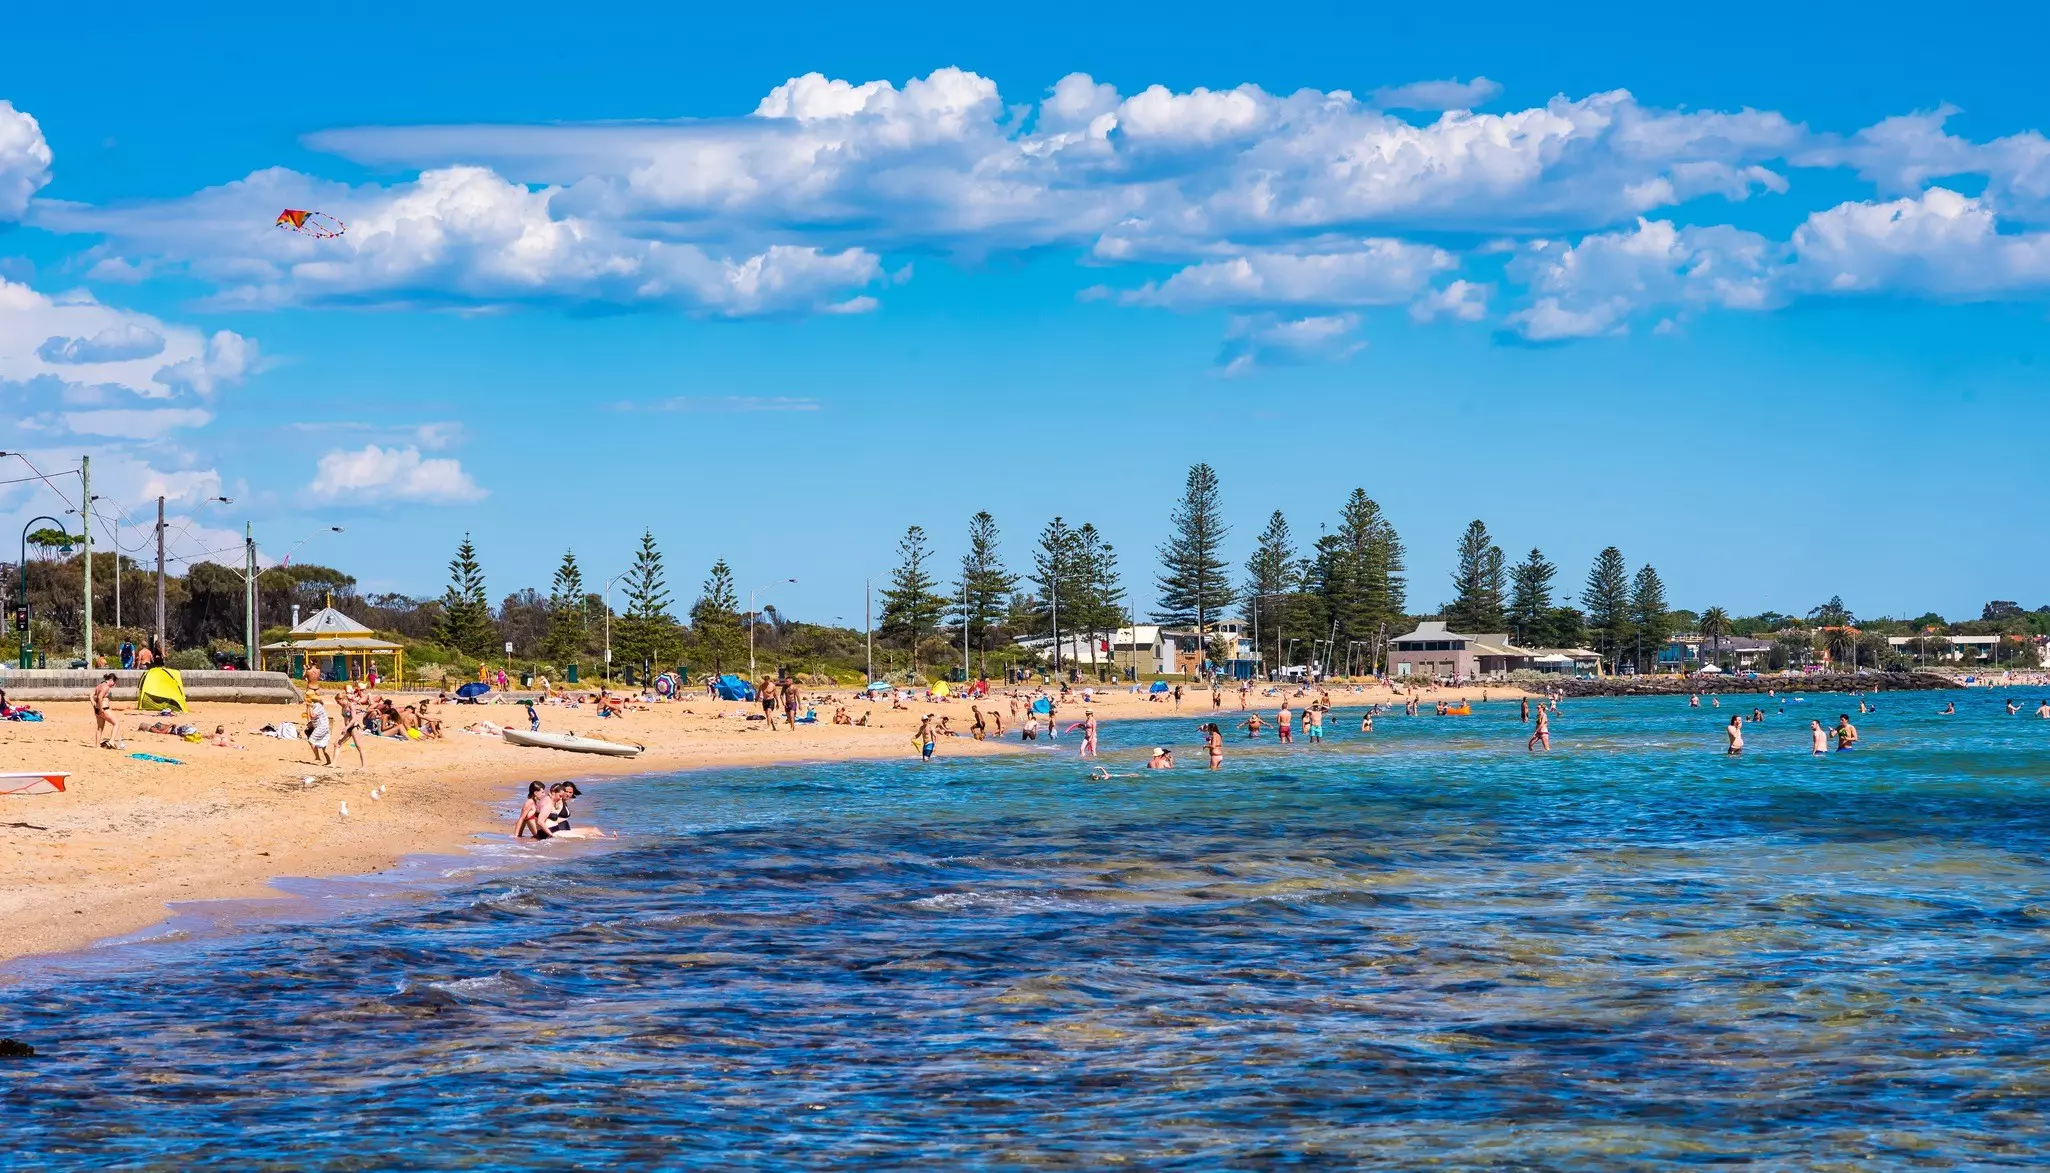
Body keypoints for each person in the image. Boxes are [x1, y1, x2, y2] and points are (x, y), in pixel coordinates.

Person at [333, 691, 367, 768]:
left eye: (338, 701)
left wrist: (346, 727)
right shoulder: (343, 707)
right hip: (347, 729)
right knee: (337, 744)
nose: (337, 703)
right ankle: (333, 763)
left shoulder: (351, 705)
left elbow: (354, 719)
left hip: (354, 728)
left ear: (342, 699)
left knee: (359, 747)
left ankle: (364, 766)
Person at [91, 672, 118, 747]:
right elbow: (100, 697)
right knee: (116, 723)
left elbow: (91, 695)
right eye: (114, 683)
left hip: (97, 709)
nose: (114, 685)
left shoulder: (99, 685)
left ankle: (97, 745)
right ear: (111, 680)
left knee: (99, 728)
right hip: (103, 709)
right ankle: (111, 741)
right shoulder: (106, 686)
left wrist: (93, 704)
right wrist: (101, 709)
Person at [306, 697, 334, 767]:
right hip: (323, 727)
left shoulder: (317, 706)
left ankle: (317, 757)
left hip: (321, 727)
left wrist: (309, 707)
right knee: (324, 745)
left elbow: (312, 715)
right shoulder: (316, 706)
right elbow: (311, 717)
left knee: (311, 740)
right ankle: (328, 761)